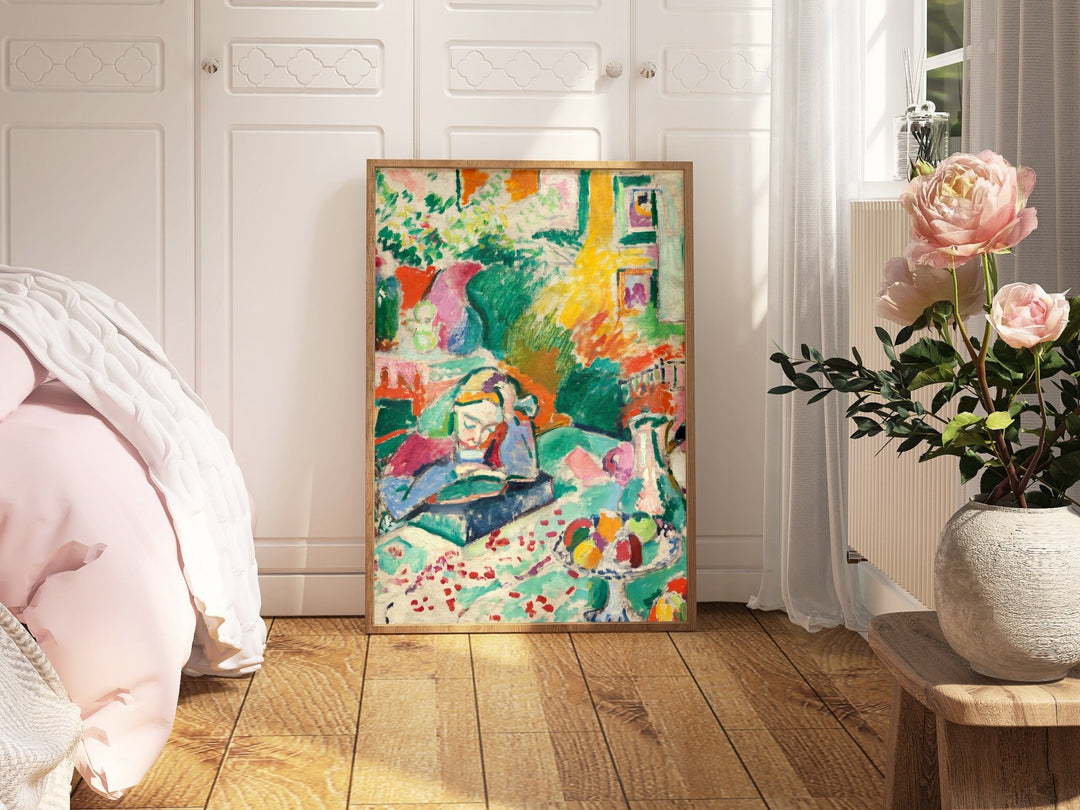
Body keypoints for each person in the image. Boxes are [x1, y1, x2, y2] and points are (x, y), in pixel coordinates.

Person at [378, 367, 538, 521]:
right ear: (454, 409)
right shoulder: (424, 444)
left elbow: (524, 474)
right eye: (470, 423)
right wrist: (452, 473)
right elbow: (397, 507)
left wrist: (511, 416)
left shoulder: (492, 440)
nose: (477, 437)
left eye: (488, 428)